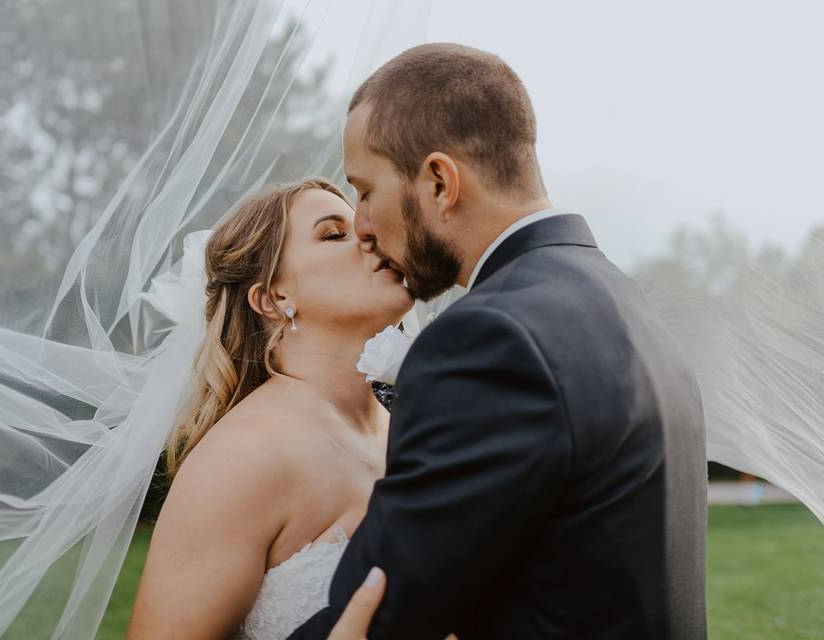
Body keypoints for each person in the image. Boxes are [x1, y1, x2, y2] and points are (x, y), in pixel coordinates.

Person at [287, 43, 708, 639]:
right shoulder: (621, 300)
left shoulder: (489, 339)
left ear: (438, 181)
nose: (361, 224)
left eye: (365, 190)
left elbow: (378, 611)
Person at [125, 178, 415, 639]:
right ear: (274, 298)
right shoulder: (245, 455)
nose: (369, 234)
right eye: (334, 234)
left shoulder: (410, 426)